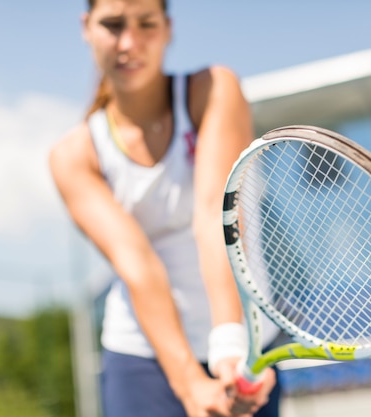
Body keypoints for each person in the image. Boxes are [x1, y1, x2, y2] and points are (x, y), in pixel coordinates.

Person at [49, 0, 281, 416]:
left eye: (146, 24)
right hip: (141, 358)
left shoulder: (213, 88)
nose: (129, 42)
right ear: (86, 27)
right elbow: (137, 263)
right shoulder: (72, 156)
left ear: (169, 28)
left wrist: (229, 341)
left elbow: (217, 214)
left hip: (244, 343)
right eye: (113, 25)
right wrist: (189, 382)